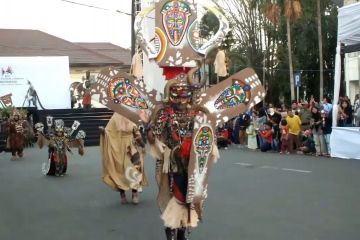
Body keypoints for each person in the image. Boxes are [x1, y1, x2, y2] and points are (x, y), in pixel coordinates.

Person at [100, 113, 148, 204]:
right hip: (118, 147)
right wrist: (103, 131)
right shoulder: (114, 118)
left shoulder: (132, 116)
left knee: (135, 169)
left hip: (132, 146)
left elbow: (136, 132)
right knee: (120, 170)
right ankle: (122, 195)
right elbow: (108, 132)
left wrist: (140, 141)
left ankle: (135, 194)